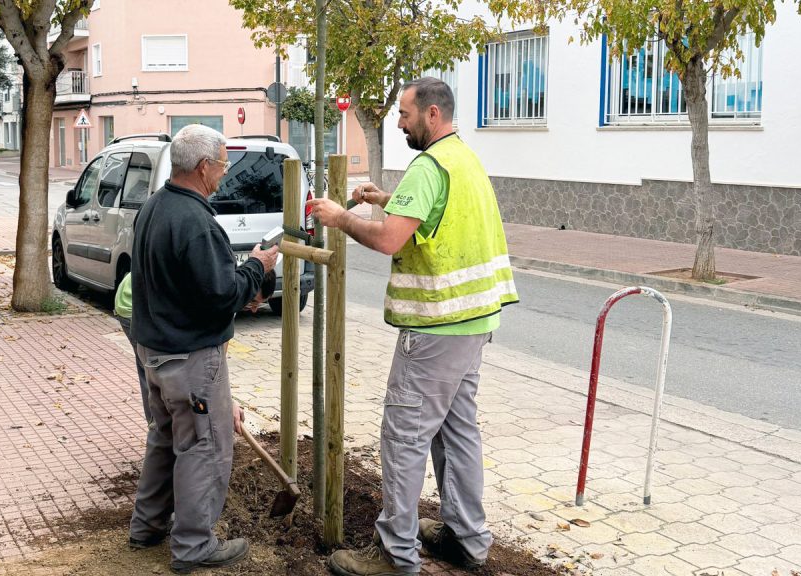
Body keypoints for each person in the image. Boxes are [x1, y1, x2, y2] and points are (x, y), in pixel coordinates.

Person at [307, 77, 519, 576]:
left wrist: (340, 218)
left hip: (435, 330)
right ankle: (467, 539)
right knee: (457, 432)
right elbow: (432, 217)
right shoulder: (462, 158)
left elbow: (389, 242)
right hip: (472, 325)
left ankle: (396, 554)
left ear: (432, 115)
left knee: (404, 435)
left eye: (404, 114)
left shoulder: (427, 166)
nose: (398, 122)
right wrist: (386, 199)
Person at [128, 124, 279, 574]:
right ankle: (193, 546)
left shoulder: (153, 207)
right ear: (203, 166)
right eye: (222, 166)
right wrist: (256, 267)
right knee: (204, 448)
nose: (225, 174)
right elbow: (220, 295)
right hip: (190, 358)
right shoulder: (195, 221)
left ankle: (147, 527)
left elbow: (187, 283)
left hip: (154, 350)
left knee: (164, 438)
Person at [114, 268, 276, 433]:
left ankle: (164, 434)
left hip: (150, 293)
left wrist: (224, 398)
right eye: (253, 302)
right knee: (159, 370)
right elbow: (213, 362)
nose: (255, 310)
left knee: (163, 371)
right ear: (249, 286)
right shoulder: (225, 292)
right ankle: (162, 433)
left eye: (260, 304)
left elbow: (217, 360)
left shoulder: (231, 283)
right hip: (134, 302)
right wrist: (227, 400)